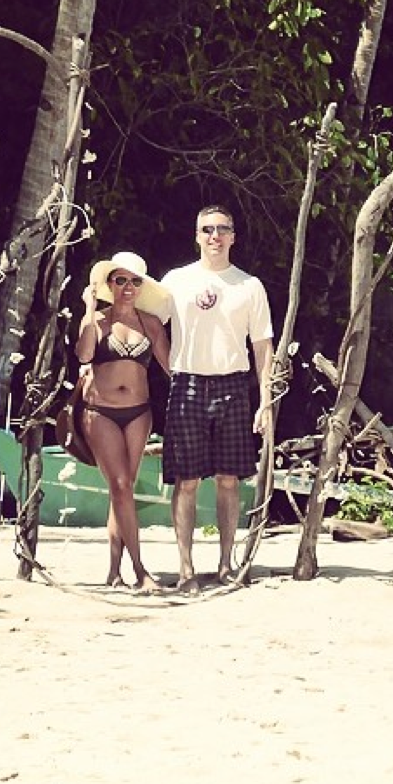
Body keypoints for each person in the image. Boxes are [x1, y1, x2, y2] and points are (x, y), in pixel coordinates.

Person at [160, 204, 274, 591]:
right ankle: (186, 571)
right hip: (188, 384)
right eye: (207, 229)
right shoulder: (176, 281)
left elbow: (262, 347)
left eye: (222, 229)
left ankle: (226, 565)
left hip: (233, 385)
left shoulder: (249, 286)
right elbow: (148, 324)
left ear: (232, 237)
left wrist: (265, 402)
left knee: (228, 479)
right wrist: (170, 366)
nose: (215, 236)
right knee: (187, 481)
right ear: (197, 236)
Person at [75, 250, 171, 592]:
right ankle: (140, 570)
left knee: (123, 489)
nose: (128, 287)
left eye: (134, 281)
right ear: (109, 284)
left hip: (139, 413)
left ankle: (114, 572)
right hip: (100, 411)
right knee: (120, 485)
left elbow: (172, 368)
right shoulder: (96, 321)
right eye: (120, 280)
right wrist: (89, 309)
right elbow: (85, 354)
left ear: (141, 287)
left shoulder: (151, 324)